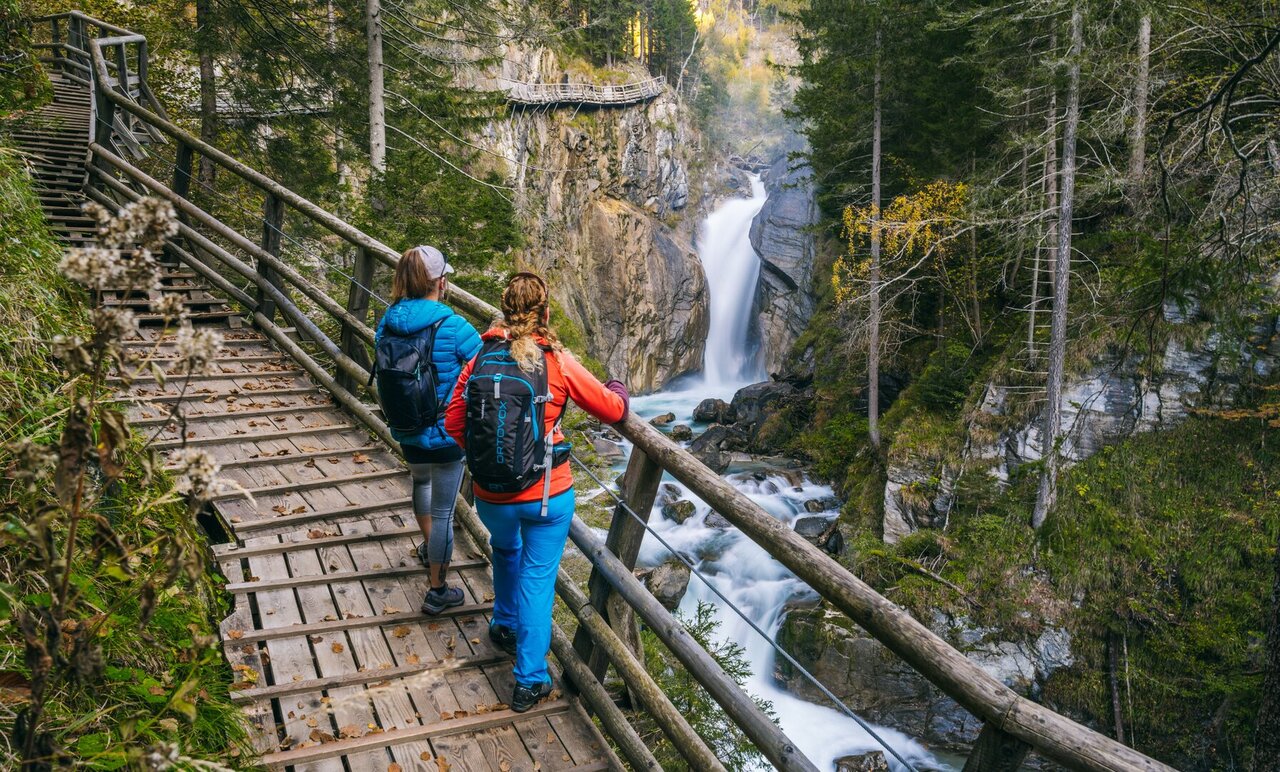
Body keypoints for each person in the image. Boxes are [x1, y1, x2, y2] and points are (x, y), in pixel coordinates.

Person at [445, 272, 629, 713]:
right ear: (545, 313)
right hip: (546, 495)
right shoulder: (557, 361)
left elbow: (453, 421)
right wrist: (618, 386)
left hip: (491, 494)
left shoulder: (482, 355)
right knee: (538, 579)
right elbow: (612, 408)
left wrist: (491, 456)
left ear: (505, 310)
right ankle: (529, 678)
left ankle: (503, 623)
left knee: (506, 551)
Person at [375, 245, 481, 615]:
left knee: (421, 484)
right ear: (441, 282)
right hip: (447, 433)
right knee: (444, 514)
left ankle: (428, 548)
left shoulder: (388, 320)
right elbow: (484, 367)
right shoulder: (452, 325)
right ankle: (437, 589)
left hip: (406, 426)